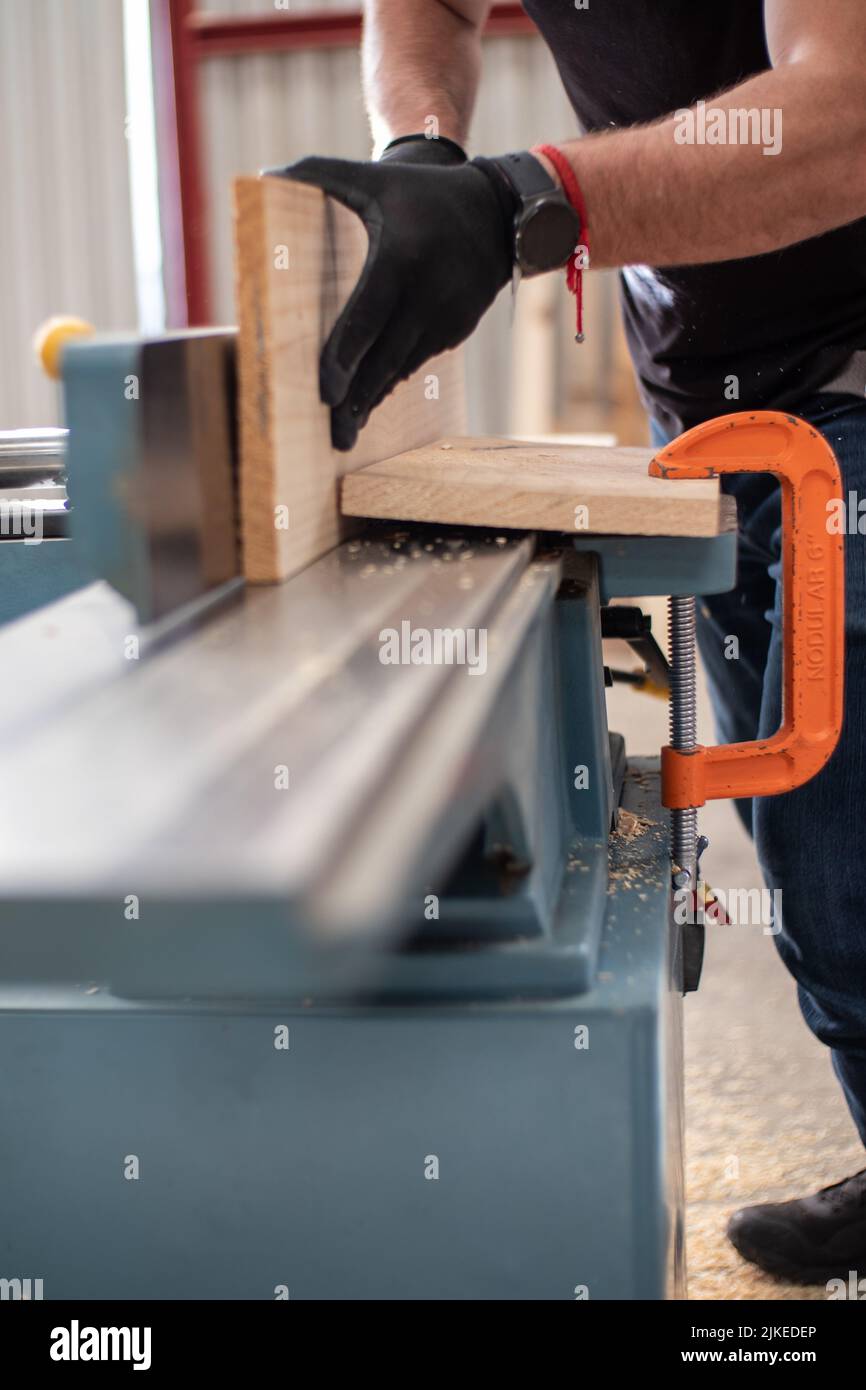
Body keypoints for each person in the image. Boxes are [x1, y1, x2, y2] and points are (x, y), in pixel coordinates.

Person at [273, 0, 866, 1285]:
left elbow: (846, 119)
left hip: (851, 367)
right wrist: (423, 146)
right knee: (795, 832)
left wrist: (524, 200)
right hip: (710, 394)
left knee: (841, 857)